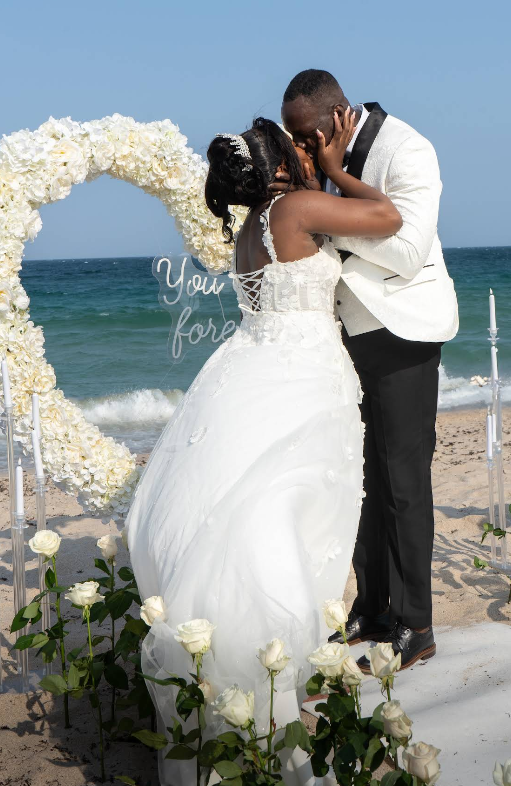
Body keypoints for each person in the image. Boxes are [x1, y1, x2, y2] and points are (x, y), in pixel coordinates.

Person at [125, 113, 401, 786]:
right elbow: (389, 218)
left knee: (253, 498)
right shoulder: (300, 206)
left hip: (251, 366)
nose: (308, 153)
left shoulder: (249, 231)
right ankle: (274, 667)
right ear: (280, 164)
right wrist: (337, 170)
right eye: (298, 147)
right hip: (302, 374)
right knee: (292, 508)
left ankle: (255, 675)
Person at [281, 70, 459, 671]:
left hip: (406, 331)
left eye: (307, 136)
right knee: (365, 483)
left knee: (405, 484)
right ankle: (373, 607)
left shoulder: (407, 148)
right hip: (345, 336)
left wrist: (330, 192)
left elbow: (408, 251)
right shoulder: (315, 156)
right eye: (294, 139)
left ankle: (418, 625)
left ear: (335, 119)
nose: (301, 147)